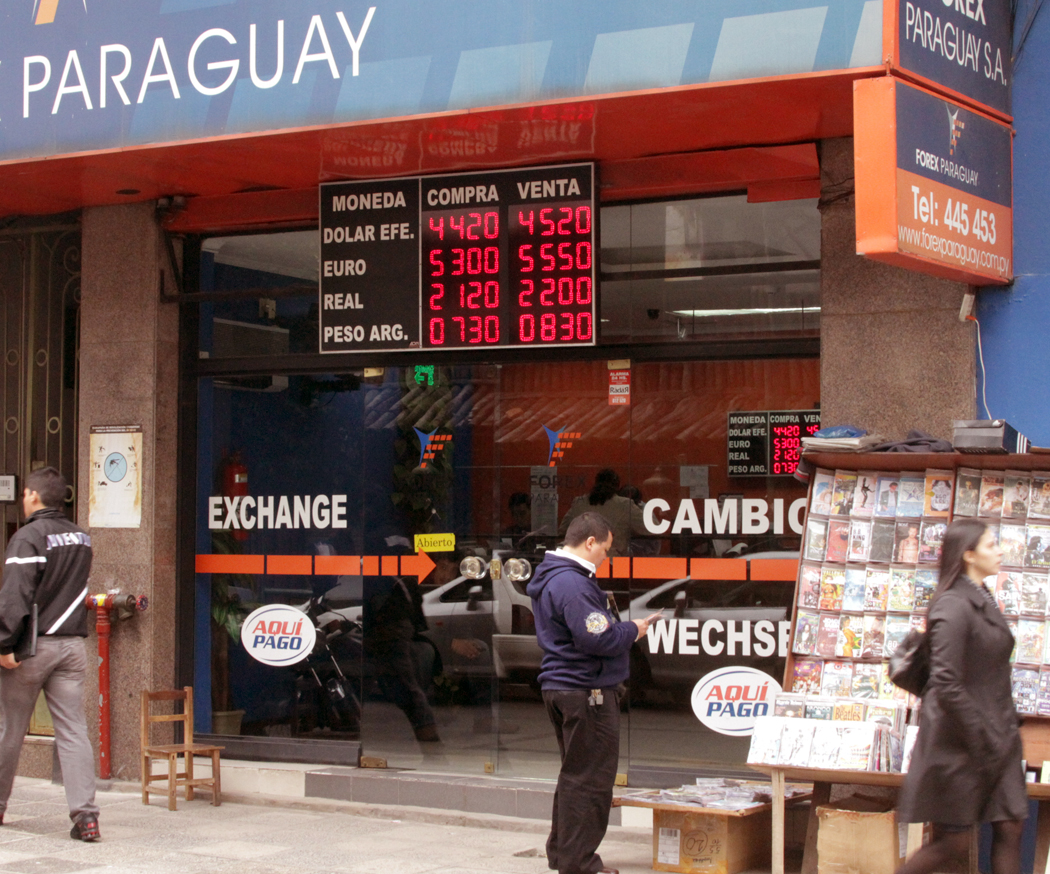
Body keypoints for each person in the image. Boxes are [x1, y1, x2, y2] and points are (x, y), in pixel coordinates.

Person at [527, 512, 661, 874]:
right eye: (605, 548)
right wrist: (632, 630)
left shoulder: (555, 579)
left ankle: (563, 853)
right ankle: (580, 862)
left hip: (564, 686)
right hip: (587, 691)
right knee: (591, 781)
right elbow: (596, 637)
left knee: (575, 775)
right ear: (589, 542)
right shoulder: (572, 584)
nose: (607, 556)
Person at [896, 518, 1026, 874]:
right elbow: (946, 681)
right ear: (968, 554)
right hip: (961, 743)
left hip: (995, 736)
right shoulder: (953, 605)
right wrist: (983, 733)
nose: (999, 550)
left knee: (1011, 826)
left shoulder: (981, 596)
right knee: (952, 844)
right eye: (989, 545)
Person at [0, 468, 100, 841]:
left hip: (33, 647)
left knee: (9, 729)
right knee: (73, 731)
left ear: (32, 496)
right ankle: (86, 818)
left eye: (25, 494)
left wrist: (5, 643)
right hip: (73, 646)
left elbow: (15, 595)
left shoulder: (27, 537)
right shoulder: (82, 537)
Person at [558, 469, 646, 558]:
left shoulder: (579, 503)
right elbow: (651, 528)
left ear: (596, 483)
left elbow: (562, 531)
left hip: (583, 560)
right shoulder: (625, 505)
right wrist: (641, 505)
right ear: (617, 486)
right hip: (612, 563)